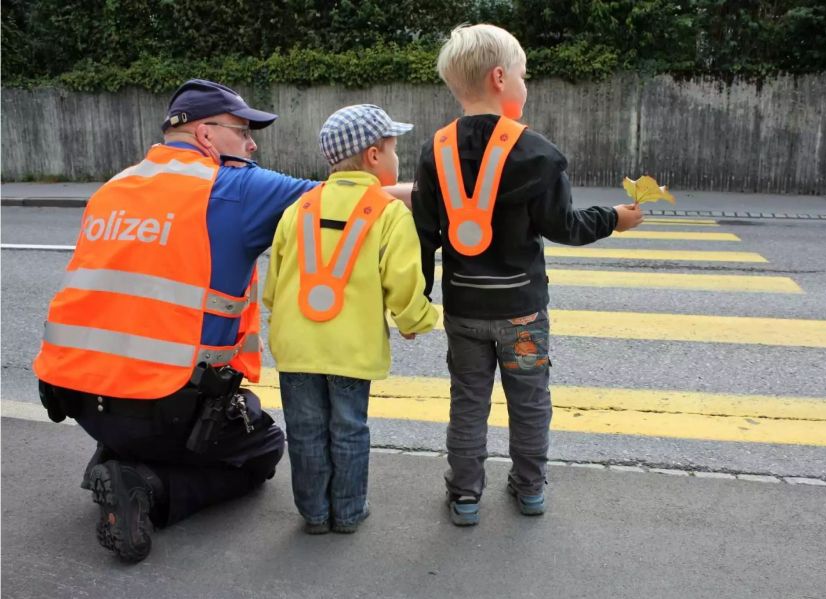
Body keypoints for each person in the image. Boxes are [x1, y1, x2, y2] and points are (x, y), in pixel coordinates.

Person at [32, 79, 412, 562]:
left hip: (79, 400)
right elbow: (349, 199)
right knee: (264, 445)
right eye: (244, 131)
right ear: (206, 134)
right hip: (165, 405)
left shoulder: (116, 186)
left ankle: (117, 456)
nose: (253, 144)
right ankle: (147, 486)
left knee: (164, 406)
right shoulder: (233, 188)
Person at [412, 24, 644, 526]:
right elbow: (564, 226)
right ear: (500, 78)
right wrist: (615, 219)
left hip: (465, 309)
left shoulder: (436, 150)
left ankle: (466, 495)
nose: (525, 84)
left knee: (469, 404)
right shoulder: (536, 152)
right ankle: (530, 487)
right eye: (524, 74)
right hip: (522, 311)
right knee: (530, 401)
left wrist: (417, 300)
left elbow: (423, 235)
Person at [263, 104, 438, 534]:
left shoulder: (298, 209)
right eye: (395, 149)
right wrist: (416, 319)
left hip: (297, 349)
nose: (399, 158)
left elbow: (271, 288)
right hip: (351, 350)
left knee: (304, 432)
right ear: (374, 156)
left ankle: (315, 515)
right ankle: (348, 511)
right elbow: (403, 284)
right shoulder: (389, 213)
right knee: (349, 430)